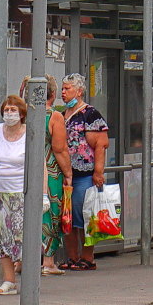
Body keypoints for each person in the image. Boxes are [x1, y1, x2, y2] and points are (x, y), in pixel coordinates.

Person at [59, 72, 108, 271]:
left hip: (84, 175)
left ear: (79, 91)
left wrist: (98, 172)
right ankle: (72, 257)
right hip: (65, 175)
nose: (63, 92)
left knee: (84, 216)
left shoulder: (90, 114)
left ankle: (87, 257)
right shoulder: (62, 114)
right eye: (62, 89)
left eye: (67, 89)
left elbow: (101, 144)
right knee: (67, 218)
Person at [0, 95, 29, 295]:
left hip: (21, 192)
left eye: (13, 110)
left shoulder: (29, 134)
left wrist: (43, 194)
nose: (9, 114)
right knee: (3, 236)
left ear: (22, 113)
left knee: (21, 235)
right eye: (6, 110)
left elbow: (40, 165)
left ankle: (27, 274)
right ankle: (9, 280)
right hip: (1, 193)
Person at [40, 77, 71, 276]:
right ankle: (48, 261)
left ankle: (22, 261)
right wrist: (68, 173)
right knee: (51, 213)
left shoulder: (23, 113)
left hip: (24, 171)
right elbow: (59, 149)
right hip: (50, 172)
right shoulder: (54, 116)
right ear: (52, 94)